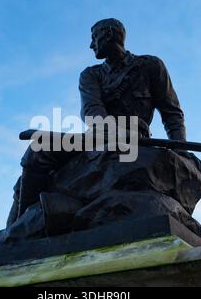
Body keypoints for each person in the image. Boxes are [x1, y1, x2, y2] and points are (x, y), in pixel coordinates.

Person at [16, 18, 186, 221]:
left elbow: (172, 113)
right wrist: (110, 132)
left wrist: (181, 152)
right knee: (38, 150)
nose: (91, 45)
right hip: (98, 135)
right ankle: (21, 227)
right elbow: (92, 111)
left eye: (93, 38)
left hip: (134, 136)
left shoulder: (150, 65)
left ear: (108, 34)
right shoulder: (91, 75)